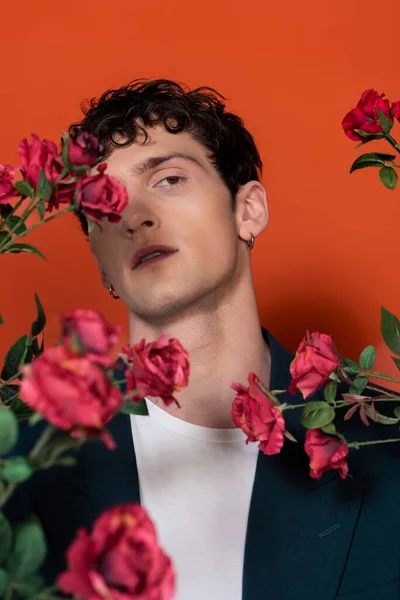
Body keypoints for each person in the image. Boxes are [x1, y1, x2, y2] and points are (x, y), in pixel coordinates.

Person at [5, 79, 400, 600]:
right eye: (105, 206)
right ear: (101, 267)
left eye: (168, 179)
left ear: (248, 210)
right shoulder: (24, 462)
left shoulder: (386, 448)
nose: (136, 217)